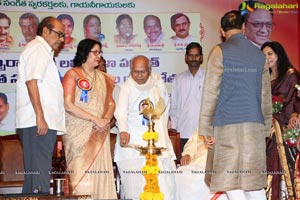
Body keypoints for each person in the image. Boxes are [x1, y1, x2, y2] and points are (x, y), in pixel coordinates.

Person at [198, 10, 272, 199]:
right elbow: (265, 95)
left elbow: (211, 93)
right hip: (254, 128)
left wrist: (206, 129)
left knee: (230, 182)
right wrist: (265, 129)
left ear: (222, 30)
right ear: (244, 27)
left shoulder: (219, 51)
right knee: (254, 183)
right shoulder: (259, 55)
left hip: (226, 126)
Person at [114, 55, 176, 200]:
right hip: (133, 145)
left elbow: (164, 107)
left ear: (150, 70)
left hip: (156, 142)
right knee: (137, 188)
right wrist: (123, 130)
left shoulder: (157, 82)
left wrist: (162, 133)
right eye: (136, 72)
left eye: (143, 72)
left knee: (164, 186)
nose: (139, 75)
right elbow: (121, 112)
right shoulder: (126, 87)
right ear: (130, 70)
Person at [15, 16, 66, 194]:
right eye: (59, 34)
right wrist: (40, 117)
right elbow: (32, 83)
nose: (61, 39)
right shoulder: (37, 49)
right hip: (37, 123)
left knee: (35, 179)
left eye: (63, 36)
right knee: (39, 180)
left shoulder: (43, 52)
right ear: (45, 31)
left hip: (40, 123)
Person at [62, 39, 117, 199]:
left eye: (100, 52)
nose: (99, 56)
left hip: (100, 132)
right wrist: (95, 119)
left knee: (100, 178)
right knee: (81, 178)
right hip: (77, 134)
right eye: (95, 52)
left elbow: (110, 103)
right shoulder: (72, 74)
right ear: (85, 53)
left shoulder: (103, 78)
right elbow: (67, 104)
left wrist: (105, 119)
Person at [261, 41, 299, 199]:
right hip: (266, 125)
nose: (267, 58)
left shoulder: (290, 75)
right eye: (263, 55)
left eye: (270, 54)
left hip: (284, 126)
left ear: (278, 54)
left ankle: (281, 193)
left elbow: (295, 100)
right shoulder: (264, 77)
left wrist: (295, 114)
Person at [170, 42, 205, 153]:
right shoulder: (178, 79)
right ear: (186, 58)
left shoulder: (208, 77)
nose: (193, 58)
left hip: (203, 133)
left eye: (196, 55)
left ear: (201, 58)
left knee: (201, 166)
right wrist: (174, 128)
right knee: (183, 166)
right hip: (183, 131)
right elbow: (174, 106)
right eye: (190, 55)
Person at [175, 129, 228, 200]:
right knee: (181, 171)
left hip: (215, 165)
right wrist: (187, 154)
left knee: (201, 176)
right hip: (195, 163)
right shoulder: (203, 127)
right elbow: (191, 144)